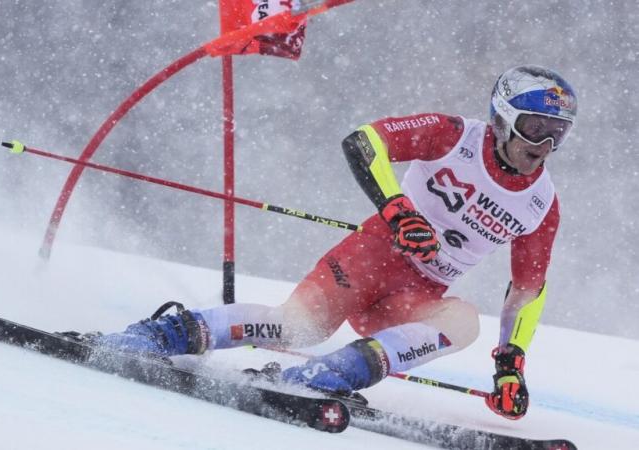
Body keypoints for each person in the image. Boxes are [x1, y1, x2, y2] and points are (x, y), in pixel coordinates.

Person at [94, 65, 577, 420]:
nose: (544, 145)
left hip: (415, 296)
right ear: (501, 119)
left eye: (558, 133)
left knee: (463, 321)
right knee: (297, 328)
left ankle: (329, 376)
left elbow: (527, 290)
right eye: (535, 127)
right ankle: (161, 336)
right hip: (373, 257)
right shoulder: (452, 135)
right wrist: (396, 207)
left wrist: (510, 363)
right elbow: (364, 141)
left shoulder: (541, 204)